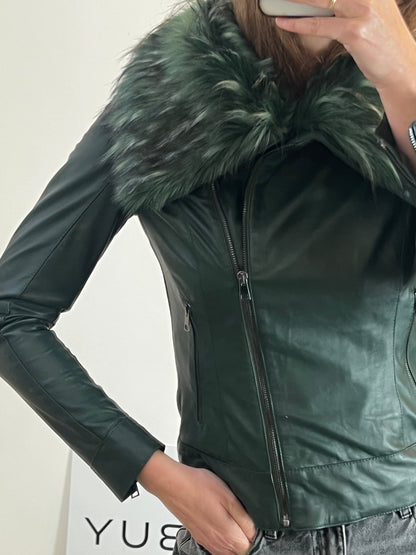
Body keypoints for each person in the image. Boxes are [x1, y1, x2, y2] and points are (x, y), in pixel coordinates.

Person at [1, 0, 416, 553]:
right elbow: (12, 311)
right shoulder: (167, 98)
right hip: (241, 533)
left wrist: (405, 78)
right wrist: (158, 476)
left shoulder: (403, 87)